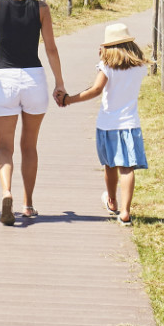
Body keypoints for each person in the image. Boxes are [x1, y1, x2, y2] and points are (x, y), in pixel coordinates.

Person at [0, 0, 65, 225]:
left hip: (5, 79)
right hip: (34, 80)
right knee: (29, 146)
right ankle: (28, 204)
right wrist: (60, 83)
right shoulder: (41, 8)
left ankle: (6, 192)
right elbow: (50, 48)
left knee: (4, 147)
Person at [61, 23, 150, 224]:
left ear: (108, 47)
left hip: (108, 124)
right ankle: (125, 211)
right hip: (130, 124)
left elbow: (95, 89)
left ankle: (112, 200)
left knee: (110, 164)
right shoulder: (140, 67)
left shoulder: (107, 67)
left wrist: (68, 99)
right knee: (127, 168)